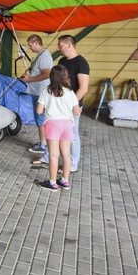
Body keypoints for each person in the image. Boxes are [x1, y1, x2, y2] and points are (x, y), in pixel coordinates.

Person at [34, 65, 80, 192]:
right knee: (66, 154)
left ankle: (53, 183)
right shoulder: (70, 92)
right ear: (65, 76)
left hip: (52, 124)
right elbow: (77, 112)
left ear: (51, 77)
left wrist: (49, 108)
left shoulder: (46, 91)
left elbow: (38, 110)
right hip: (67, 125)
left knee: (54, 155)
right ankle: (65, 181)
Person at [57, 34, 90, 173]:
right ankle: (55, 158)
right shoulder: (62, 60)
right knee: (60, 134)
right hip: (60, 102)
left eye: (60, 45)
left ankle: (73, 165)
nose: (58, 48)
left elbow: (83, 88)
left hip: (72, 105)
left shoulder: (81, 63)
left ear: (69, 45)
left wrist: (70, 105)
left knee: (73, 135)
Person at [19, 34, 52, 156]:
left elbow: (46, 74)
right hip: (36, 91)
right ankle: (43, 142)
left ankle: (43, 145)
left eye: (30, 45)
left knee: (40, 118)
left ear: (37, 43)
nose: (30, 47)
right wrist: (29, 71)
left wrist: (29, 80)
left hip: (40, 92)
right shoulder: (40, 56)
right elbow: (37, 69)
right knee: (39, 118)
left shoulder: (44, 56)